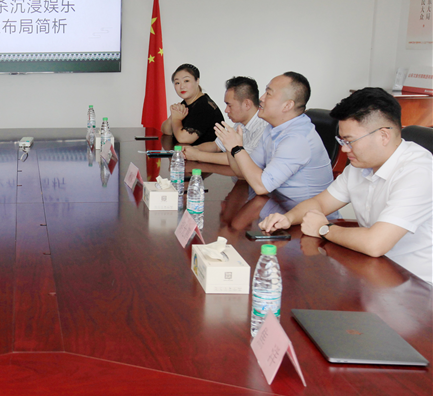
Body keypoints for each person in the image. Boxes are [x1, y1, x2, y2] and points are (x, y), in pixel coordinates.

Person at [260, 87, 432, 285]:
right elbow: (320, 203)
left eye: (350, 141)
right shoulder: (361, 165)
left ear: (383, 136)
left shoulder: (418, 172)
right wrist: (287, 218)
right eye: (341, 140)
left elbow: (375, 243)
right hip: (374, 272)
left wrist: (324, 229)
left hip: (417, 286)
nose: (343, 149)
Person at [215, 72, 333, 209]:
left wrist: (237, 148)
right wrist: (230, 147)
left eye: (268, 94)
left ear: (287, 105)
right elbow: (243, 173)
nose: (261, 98)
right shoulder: (272, 128)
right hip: (279, 207)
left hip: (307, 217)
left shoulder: (297, 139)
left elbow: (261, 186)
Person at [183, 76, 267, 166]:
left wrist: (197, 155)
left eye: (229, 105)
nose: (226, 110)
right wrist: (192, 149)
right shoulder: (240, 123)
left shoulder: (263, 126)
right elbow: (216, 146)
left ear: (247, 104)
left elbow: (244, 159)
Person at [160, 64, 225, 145]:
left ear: (197, 81)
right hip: (189, 151)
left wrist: (176, 119)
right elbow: (166, 131)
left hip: (207, 152)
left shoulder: (204, 106)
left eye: (186, 81)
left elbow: (183, 139)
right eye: (177, 83)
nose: (182, 86)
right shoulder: (187, 102)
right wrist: (173, 116)